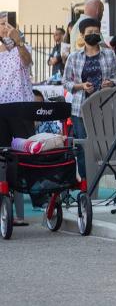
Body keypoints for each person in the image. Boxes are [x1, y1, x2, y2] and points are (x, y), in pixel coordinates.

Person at [62, 18, 116, 179]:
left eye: (96, 32)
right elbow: (65, 81)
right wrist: (81, 86)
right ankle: (86, 183)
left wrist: (111, 82)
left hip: (104, 106)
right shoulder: (74, 57)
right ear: (82, 35)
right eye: (90, 33)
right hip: (80, 108)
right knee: (83, 146)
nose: (93, 35)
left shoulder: (109, 54)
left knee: (111, 143)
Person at [0, 16, 34, 226]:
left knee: (24, 156)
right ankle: (5, 209)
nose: (5, 28)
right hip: (1, 108)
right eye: (2, 24)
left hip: (20, 107)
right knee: (2, 159)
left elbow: (28, 61)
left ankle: (21, 211)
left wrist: (18, 41)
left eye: (8, 24)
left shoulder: (21, 47)